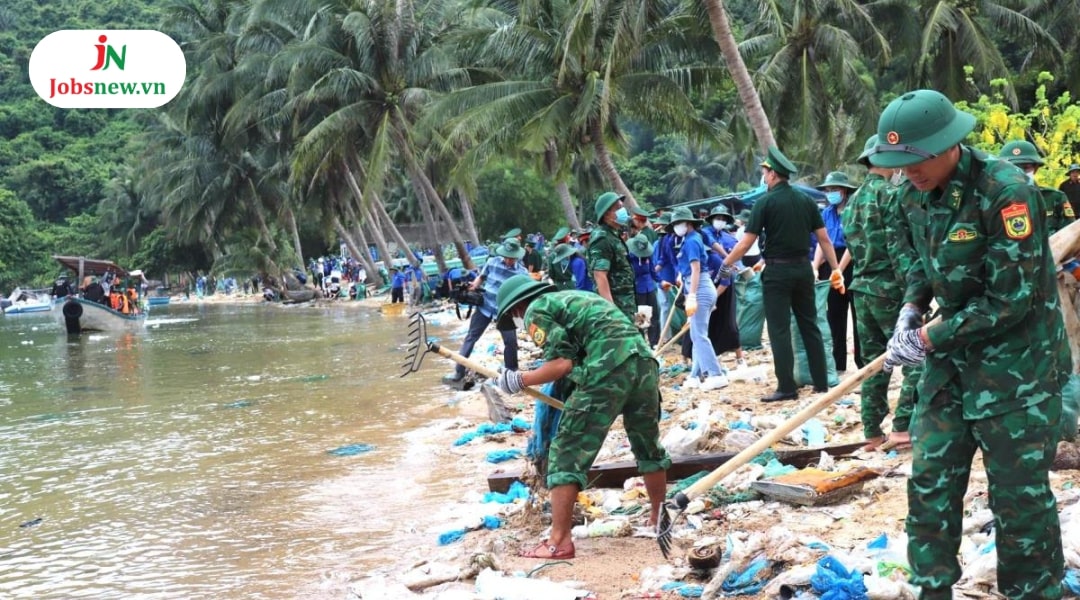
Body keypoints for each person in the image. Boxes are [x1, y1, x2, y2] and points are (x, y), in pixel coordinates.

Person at [870, 89, 1068, 599]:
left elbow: (1010, 300)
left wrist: (927, 337)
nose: (907, 173)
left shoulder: (1005, 192)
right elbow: (921, 263)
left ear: (947, 144)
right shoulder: (911, 195)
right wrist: (911, 308)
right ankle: (932, 590)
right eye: (897, 165)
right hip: (952, 366)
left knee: (1018, 502)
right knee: (930, 483)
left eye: (914, 162)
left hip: (1017, 370)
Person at [491, 275, 670, 559]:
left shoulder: (535, 310)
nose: (518, 321)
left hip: (608, 368)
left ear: (516, 308)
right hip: (645, 364)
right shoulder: (574, 298)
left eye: (514, 316)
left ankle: (559, 541)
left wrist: (519, 379)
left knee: (566, 452)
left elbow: (561, 364)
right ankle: (658, 519)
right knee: (647, 444)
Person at [718, 146, 844, 402]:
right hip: (802, 270)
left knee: (779, 329)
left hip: (777, 272)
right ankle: (821, 383)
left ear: (773, 174)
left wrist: (726, 265)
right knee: (810, 325)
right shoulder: (806, 201)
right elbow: (824, 239)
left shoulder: (764, 202)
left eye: (765, 173)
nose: (764, 177)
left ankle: (787, 387)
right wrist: (836, 269)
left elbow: (745, 243)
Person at [840, 134, 917, 451]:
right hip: (889, 289)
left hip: (861, 289)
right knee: (916, 358)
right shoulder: (891, 195)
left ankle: (872, 431)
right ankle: (902, 427)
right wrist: (914, 292)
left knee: (874, 363)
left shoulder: (854, 200)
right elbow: (899, 248)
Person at [441, 239, 529, 385]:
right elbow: (481, 277)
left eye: (512, 258)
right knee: (471, 337)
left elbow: (525, 293)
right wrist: (474, 286)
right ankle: (459, 371)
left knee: (511, 342)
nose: (509, 261)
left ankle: (511, 373)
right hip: (485, 306)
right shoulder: (492, 262)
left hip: (505, 312)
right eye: (507, 257)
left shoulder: (522, 273)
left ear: (517, 257)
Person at [669, 207, 729, 391]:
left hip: (700, 288)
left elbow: (696, 269)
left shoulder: (692, 241)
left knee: (699, 335)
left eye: (679, 223)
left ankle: (715, 374)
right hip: (700, 287)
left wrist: (692, 296)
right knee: (697, 334)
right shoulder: (690, 239)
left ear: (688, 223)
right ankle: (696, 375)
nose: (677, 227)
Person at [813, 171, 862, 372]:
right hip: (830, 262)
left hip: (850, 263)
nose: (831, 193)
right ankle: (838, 363)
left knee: (858, 315)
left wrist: (839, 270)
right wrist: (815, 266)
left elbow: (853, 244)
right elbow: (822, 243)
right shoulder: (826, 213)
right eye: (828, 190)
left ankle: (862, 362)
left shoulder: (853, 210)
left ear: (844, 191)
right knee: (834, 315)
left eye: (834, 189)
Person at [998, 140, 1075, 236]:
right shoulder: (991, 201)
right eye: (1012, 168)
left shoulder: (1055, 197)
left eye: (1026, 168)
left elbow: (1071, 237)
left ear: (1036, 168)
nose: (1019, 173)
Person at [587, 192, 637, 320]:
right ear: (606, 214)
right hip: (616, 305)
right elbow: (600, 275)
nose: (623, 211)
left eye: (622, 207)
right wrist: (611, 310)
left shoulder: (613, 235)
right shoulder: (602, 239)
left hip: (626, 302)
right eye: (618, 208)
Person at [627, 234, 660, 346]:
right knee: (641, 317)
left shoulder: (648, 256)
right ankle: (641, 343)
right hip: (638, 289)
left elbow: (652, 271)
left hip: (649, 287)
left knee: (654, 315)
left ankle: (654, 342)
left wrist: (661, 281)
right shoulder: (629, 258)